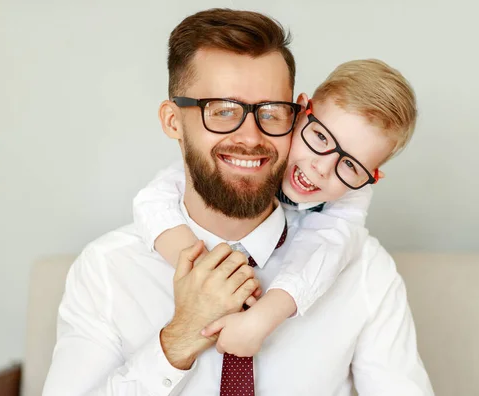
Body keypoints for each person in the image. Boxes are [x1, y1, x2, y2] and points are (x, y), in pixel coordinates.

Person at [43, 8, 433, 396]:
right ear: (173, 121)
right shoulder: (107, 271)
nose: (250, 136)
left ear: (294, 116)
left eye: (271, 111)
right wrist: (177, 340)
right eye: (223, 111)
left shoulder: (364, 270)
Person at [132, 58, 417, 358]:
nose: (322, 167)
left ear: (372, 176)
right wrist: (207, 276)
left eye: (349, 164)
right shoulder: (248, 155)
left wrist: (262, 317)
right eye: (320, 137)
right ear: (300, 110)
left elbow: (327, 247)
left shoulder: (352, 196)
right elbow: (155, 199)